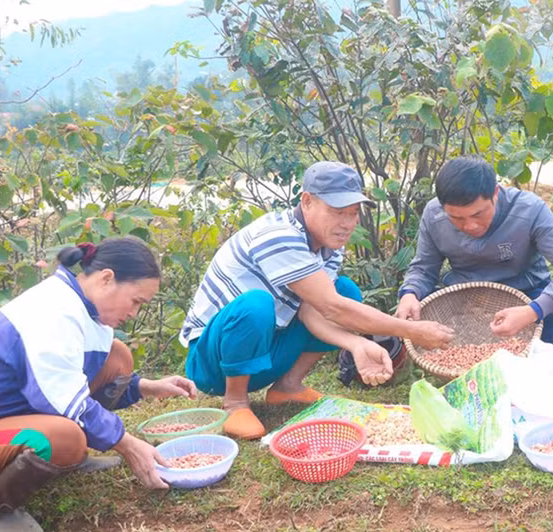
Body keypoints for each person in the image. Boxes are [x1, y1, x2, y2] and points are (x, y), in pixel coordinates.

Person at [180, 161, 454, 440]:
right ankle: (235, 402)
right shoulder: (278, 235)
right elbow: (331, 308)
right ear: (307, 201)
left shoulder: (327, 245)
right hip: (214, 363)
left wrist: (357, 343)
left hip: (267, 350)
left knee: (345, 290)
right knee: (256, 305)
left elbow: (312, 313)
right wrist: (413, 331)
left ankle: (288, 386)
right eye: (337, 212)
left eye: (353, 213)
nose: (347, 223)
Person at [0, 237, 198, 532]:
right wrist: (127, 444)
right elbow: (64, 402)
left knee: (118, 357)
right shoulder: (53, 312)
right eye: (136, 301)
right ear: (106, 279)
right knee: (66, 438)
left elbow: (74, 378)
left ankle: (66, 458)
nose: (135, 313)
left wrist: (145, 387)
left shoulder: (85, 310)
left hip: (15, 410)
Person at [395, 156, 553, 349]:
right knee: (416, 328)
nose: (470, 226)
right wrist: (410, 293)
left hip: (527, 292)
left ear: (495, 193)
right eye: (457, 218)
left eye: (478, 214)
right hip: (463, 296)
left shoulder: (529, 210)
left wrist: (533, 310)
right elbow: (423, 269)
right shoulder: (434, 215)